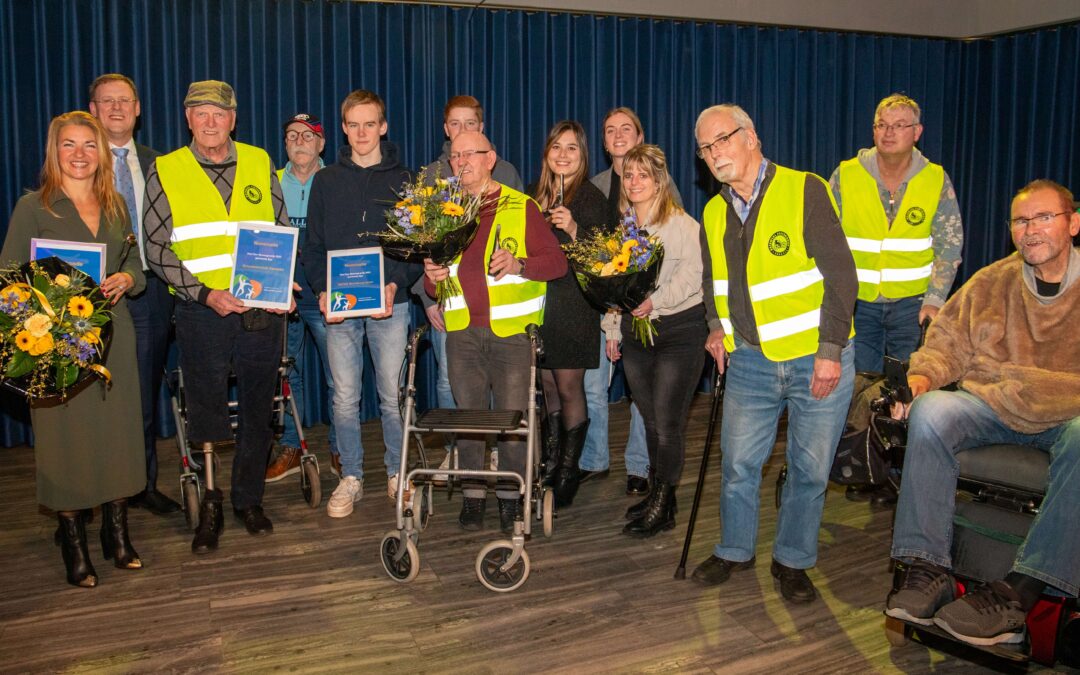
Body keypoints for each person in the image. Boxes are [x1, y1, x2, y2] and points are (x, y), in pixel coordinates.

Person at [885, 179, 1080, 647]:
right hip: (994, 402)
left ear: (1073, 223)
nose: (1030, 230)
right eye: (1020, 220)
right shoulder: (992, 281)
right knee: (931, 411)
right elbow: (945, 343)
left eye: (1043, 218)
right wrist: (920, 381)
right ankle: (927, 567)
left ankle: (1020, 592)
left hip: (1068, 411)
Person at [690, 104, 858, 604]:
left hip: (815, 359)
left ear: (751, 137)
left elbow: (841, 276)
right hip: (750, 362)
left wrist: (830, 351)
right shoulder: (714, 210)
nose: (715, 153)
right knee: (739, 463)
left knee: (808, 470)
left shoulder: (804, 188)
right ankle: (735, 549)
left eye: (722, 139)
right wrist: (716, 328)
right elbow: (711, 279)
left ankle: (793, 560)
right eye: (705, 148)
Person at [144, 80, 290, 554]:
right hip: (200, 311)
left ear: (233, 118)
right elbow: (155, 248)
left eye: (219, 113)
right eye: (200, 113)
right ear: (188, 119)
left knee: (257, 406)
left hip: (259, 310)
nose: (210, 121)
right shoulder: (165, 169)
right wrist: (205, 294)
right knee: (205, 407)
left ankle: (248, 498)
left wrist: (282, 281)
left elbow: (280, 228)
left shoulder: (259, 161)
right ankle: (210, 499)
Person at [2, 111, 146, 587]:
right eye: (69, 144)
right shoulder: (34, 207)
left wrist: (128, 278)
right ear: (54, 150)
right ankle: (74, 543)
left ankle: (117, 535)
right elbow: (9, 283)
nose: (80, 154)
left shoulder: (117, 206)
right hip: (54, 347)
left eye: (90, 144)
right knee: (65, 444)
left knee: (119, 437)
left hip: (113, 339)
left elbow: (139, 272)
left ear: (102, 152)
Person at [423, 130, 566, 533]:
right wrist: (431, 277)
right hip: (462, 335)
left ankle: (509, 496)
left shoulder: (521, 206)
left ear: (491, 158)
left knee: (512, 424)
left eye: (471, 154)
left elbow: (557, 264)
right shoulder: (443, 211)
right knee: (469, 421)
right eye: (455, 155)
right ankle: (472, 495)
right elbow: (437, 285)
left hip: (510, 336)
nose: (462, 161)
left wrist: (520, 263)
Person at [302, 90, 418, 516]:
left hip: (392, 304)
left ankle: (396, 471)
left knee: (391, 396)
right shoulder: (326, 181)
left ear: (383, 127)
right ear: (343, 130)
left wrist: (396, 282)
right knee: (344, 397)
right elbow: (312, 248)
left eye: (371, 124)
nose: (363, 132)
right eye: (354, 124)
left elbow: (417, 250)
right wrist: (320, 289)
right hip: (340, 307)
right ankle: (351, 476)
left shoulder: (406, 180)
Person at [414, 95, 524, 480]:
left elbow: (519, 235)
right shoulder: (430, 176)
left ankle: (495, 453)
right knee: (453, 383)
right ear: (446, 129)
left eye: (470, 123)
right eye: (455, 124)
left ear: (482, 127)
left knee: (500, 386)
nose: (462, 130)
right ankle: (460, 452)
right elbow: (419, 242)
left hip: (497, 307)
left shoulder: (505, 171)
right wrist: (427, 296)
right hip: (449, 304)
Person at [603, 144, 707, 538]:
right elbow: (615, 282)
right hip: (635, 332)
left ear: (659, 180)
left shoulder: (682, 225)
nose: (634, 182)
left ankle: (664, 502)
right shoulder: (624, 228)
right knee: (648, 420)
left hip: (678, 332)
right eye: (628, 175)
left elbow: (693, 277)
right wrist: (614, 329)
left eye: (643, 175)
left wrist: (655, 301)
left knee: (667, 423)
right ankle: (661, 496)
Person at [87, 73, 179, 516]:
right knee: (90, 396)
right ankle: (91, 493)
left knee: (142, 394)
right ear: (93, 111)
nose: (117, 109)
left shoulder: (158, 163)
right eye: (107, 102)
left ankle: (141, 484)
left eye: (125, 101)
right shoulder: (79, 160)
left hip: (151, 290)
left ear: (138, 109)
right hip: (93, 296)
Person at [829, 94, 963, 373]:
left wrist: (935, 299)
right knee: (859, 384)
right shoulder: (846, 175)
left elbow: (949, 247)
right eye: (882, 125)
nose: (888, 132)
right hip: (857, 304)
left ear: (917, 132)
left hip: (913, 307)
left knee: (908, 383)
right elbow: (824, 241)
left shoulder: (935, 179)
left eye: (899, 125)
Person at [588, 107, 683, 496]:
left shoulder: (663, 185)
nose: (618, 134)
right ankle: (593, 460)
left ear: (640, 136)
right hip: (602, 304)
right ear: (604, 140)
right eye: (610, 130)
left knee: (641, 394)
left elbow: (671, 246)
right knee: (597, 387)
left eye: (626, 128)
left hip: (649, 303)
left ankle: (639, 466)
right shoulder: (593, 185)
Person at [526, 120, 608, 508]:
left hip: (574, 305)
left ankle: (569, 468)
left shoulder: (592, 199)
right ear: (546, 153)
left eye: (571, 148)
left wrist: (574, 229)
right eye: (556, 146)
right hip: (537, 305)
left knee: (569, 387)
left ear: (583, 155)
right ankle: (551, 458)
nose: (563, 154)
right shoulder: (531, 196)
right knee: (546, 387)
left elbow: (606, 259)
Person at [264, 113, 341, 482]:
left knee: (339, 378)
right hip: (284, 297)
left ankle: (341, 449)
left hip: (326, 295)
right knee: (287, 375)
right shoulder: (270, 183)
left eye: (308, 136)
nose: (299, 141)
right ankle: (293, 446)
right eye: (292, 135)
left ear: (321, 144)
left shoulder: (336, 181)